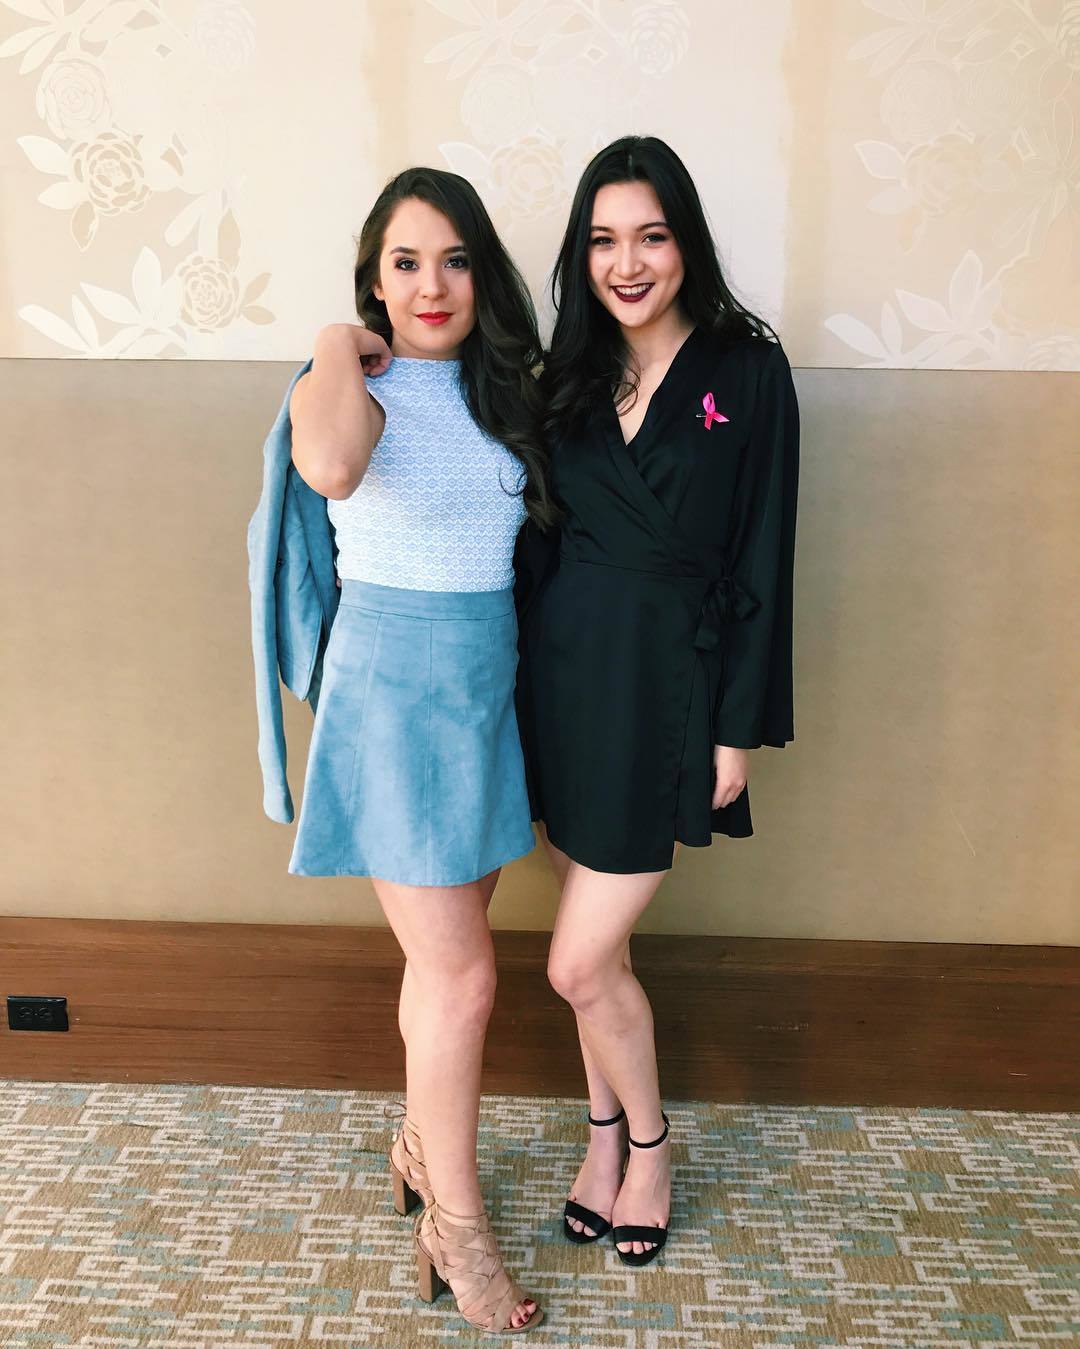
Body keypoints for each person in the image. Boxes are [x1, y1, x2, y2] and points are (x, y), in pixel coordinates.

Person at [516, 136, 800, 1266]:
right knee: (599, 955)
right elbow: (534, 545)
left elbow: (765, 552)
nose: (626, 264)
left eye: (650, 236)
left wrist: (738, 725)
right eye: (602, 241)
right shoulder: (566, 377)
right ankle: (603, 1140)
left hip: (671, 686)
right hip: (560, 684)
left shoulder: (748, 370)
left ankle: (651, 1142)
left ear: (686, 242)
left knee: (578, 962)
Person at [283, 167, 554, 1333]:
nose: (431, 283)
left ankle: (414, 1141)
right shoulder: (347, 385)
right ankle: (457, 1222)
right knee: (466, 975)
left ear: (483, 274)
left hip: (484, 688)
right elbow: (333, 470)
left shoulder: (507, 392)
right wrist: (332, 343)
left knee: (445, 961)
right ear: (375, 277)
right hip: (392, 696)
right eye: (405, 261)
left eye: (454, 259)